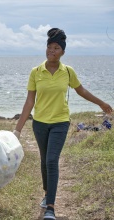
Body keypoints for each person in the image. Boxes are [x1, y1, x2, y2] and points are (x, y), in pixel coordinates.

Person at [13, 28, 113, 220]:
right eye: (49, 47)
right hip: (40, 123)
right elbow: (29, 102)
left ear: (63, 52)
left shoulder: (68, 72)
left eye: (56, 48)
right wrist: (18, 128)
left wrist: (100, 102)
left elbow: (81, 91)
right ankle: (46, 193)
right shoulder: (36, 72)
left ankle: (50, 207)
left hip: (60, 122)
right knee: (44, 161)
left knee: (51, 160)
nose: (51, 51)